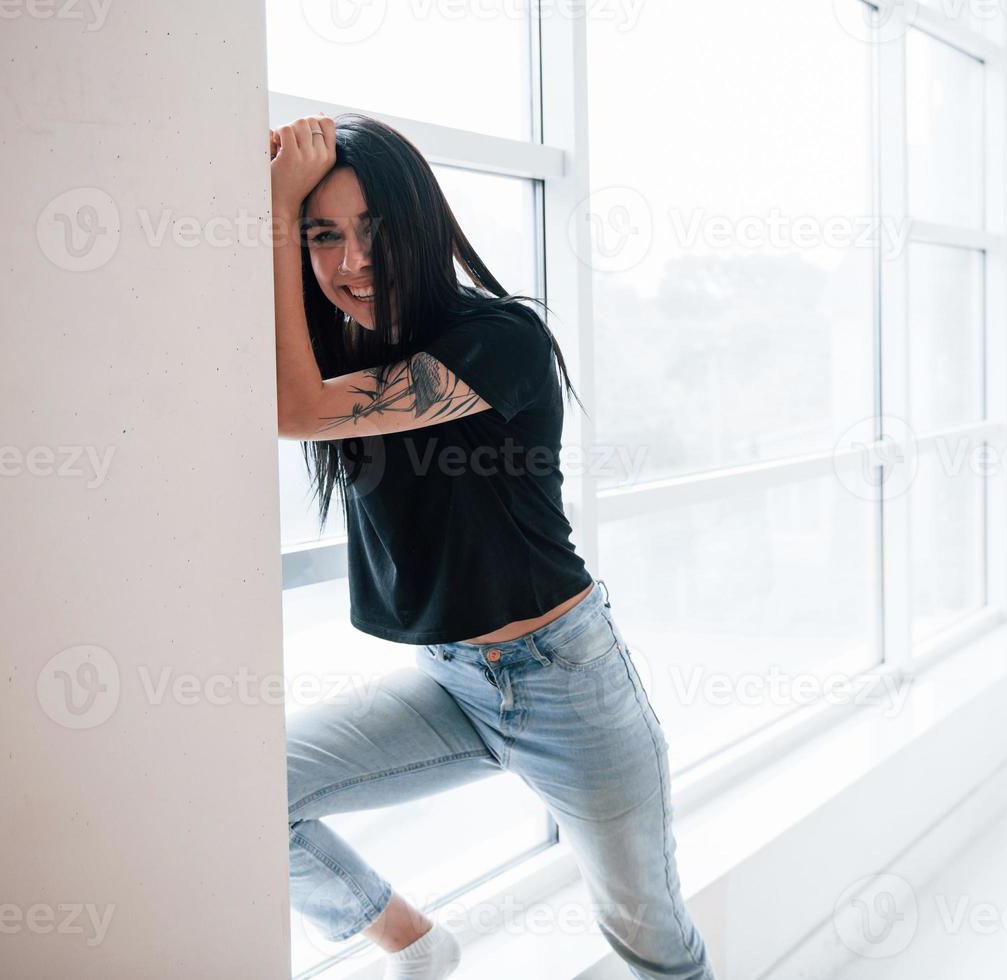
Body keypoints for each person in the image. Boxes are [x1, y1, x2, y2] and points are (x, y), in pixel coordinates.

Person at [270, 113, 716, 980]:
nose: (352, 262)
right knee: (256, 788)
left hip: (567, 686)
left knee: (650, 941)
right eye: (322, 237)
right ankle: (415, 943)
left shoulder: (499, 339)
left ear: (426, 228)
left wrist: (282, 202)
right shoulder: (348, 352)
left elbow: (294, 412)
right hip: (451, 679)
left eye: (375, 232)